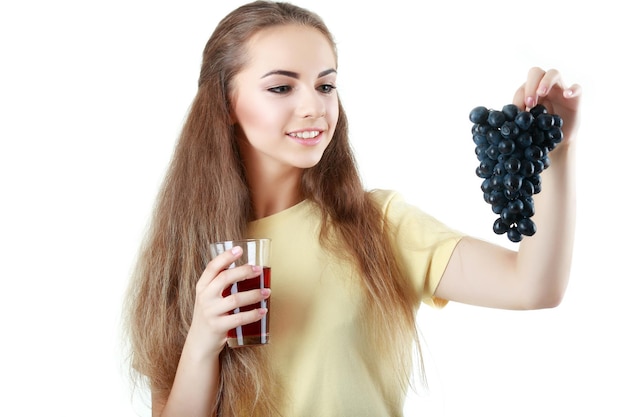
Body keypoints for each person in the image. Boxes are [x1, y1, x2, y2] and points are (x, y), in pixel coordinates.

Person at [123, 1, 581, 416]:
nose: (313, 107)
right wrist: (202, 341)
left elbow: (533, 287)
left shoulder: (379, 226)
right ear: (226, 103)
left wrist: (556, 151)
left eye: (325, 85)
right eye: (282, 88)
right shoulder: (188, 250)